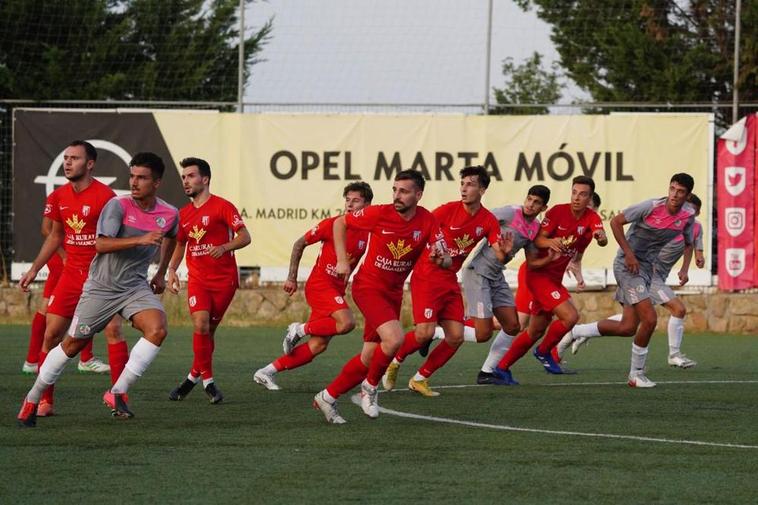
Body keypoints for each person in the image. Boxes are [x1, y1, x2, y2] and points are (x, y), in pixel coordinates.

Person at [18, 152, 179, 427]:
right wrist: (140, 239)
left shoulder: (170, 213)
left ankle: (117, 391)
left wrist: (163, 272)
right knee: (71, 344)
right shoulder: (118, 206)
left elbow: (172, 238)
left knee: (158, 328)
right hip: (101, 288)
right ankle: (33, 397)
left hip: (134, 286)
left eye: (142, 178)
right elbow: (101, 244)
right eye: (132, 176)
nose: (134, 182)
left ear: (157, 183)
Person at [312, 169, 446, 424]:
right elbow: (341, 223)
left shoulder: (428, 221)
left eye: (404, 191)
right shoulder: (380, 213)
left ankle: (327, 396)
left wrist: (443, 260)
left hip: (393, 293)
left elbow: (446, 258)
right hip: (368, 287)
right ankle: (370, 388)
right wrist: (341, 259)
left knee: (369, 357)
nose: (397, 195)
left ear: (418, 195)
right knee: (394, 339)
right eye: (395, 189)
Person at [17, 140, 123, 417]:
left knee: (113, 330)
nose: (67, 162)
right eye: (65, 157)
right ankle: (44, 400)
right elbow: (54, 236)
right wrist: (33, 269)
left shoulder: (106, 197)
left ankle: (119, 397)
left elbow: (116, 239)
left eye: (74, 158)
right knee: (51, 335)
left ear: (90, 164)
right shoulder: (60, 196)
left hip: (102, 279)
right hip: (71, 276)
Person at [381, 166, 506, 397]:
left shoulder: (488, 219)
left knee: (456, 336)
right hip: (427, 277)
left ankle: (420, 379)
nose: (464, 188)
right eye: (463, 183)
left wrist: (505, 253)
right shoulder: (447, 210)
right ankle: (394, 361)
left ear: (483, 189)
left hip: (449, 278)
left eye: (470, 184)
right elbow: (421, 227)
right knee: (424, 334)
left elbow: (500, 252)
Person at [565, 191, 703, 372]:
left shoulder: (692, 225)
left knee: (629, 324)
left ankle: (580, 332)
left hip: (656, 276)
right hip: (645, 274)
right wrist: (635, 257)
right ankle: (669, 357)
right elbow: (622, 225)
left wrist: (688, 266)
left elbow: (690, 244)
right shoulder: (661, 218)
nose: (690, 214)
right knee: (676, 309)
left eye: (695, 212)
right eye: (690, 209)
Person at [254, 182, 373, 390]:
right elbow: (299, 243)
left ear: (368, 205)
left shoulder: (367, 232)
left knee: (318, 345)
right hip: (320, 285)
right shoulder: (332, 224)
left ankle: (266, 372)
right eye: (347, 200)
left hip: (335, 291)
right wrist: (292, 277)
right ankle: (299, 329)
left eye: (356, 201)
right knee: (347, 323)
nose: (350, 205)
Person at [492, 176, 607, 384]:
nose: (577, 198)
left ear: (590, 198)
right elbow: (537, 238)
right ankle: (544, 352)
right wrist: (550, 241)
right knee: (570, 317)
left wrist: (601, 237)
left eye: (582, 194)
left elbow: (598, 239)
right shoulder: (557, 212)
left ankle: (501, 368)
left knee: (534, 330)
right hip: (538, 276)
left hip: (553, 279)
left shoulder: (590, 219)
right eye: (574, 192)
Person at [166, 157, 251, 404]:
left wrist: (225, 247)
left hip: (225, 281)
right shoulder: (183, 214)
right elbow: (180, 243)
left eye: (191, 176)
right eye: (183, 177)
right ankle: (209, 382)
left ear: (205, 179)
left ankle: (192, 377)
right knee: (201, 325)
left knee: (208, 332)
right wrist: (172, 269)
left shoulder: (223, 206)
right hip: (198, 280)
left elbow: (245, 236)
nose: (186, 181)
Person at [464, 185, 551, 384]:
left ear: (543, 208)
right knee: (483, 333)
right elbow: (482, 220)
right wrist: (493, 240)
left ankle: (487, 372)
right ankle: (436, 333)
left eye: (536, 202)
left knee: (513, 326)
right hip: (478, 273)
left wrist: (550, 258)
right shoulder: (510, 212)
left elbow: (532, 262)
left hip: (496, 275)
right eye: (529, 199)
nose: (530, 204)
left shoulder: (535, 227)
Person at [22, 195, 111, 376]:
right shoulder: (59, 196)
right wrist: (63, 255)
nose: (69, 164)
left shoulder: (96, 194)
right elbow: (47, 230)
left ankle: (33, 360)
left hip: (74, 257)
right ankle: (83, 359)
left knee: (53, 306)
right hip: (64, 258)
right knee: (62, 306)